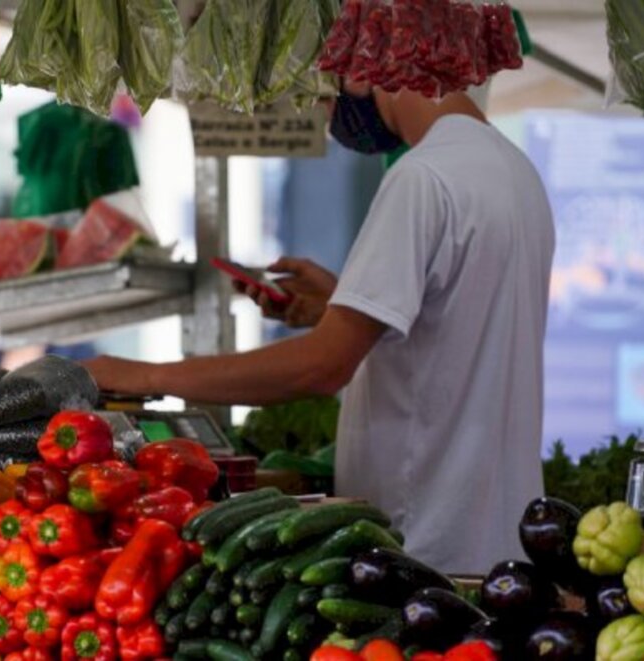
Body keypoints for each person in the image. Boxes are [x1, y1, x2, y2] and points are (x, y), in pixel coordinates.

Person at [85, 80, 556, 574]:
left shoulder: (422, 177)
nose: (327, 114)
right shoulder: (515, 172)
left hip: (422, 554)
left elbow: (321, 367)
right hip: (501, 548)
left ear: (366, 67)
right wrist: (342, 304)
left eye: (326, 93)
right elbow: (458, 325)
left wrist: (146, 376)